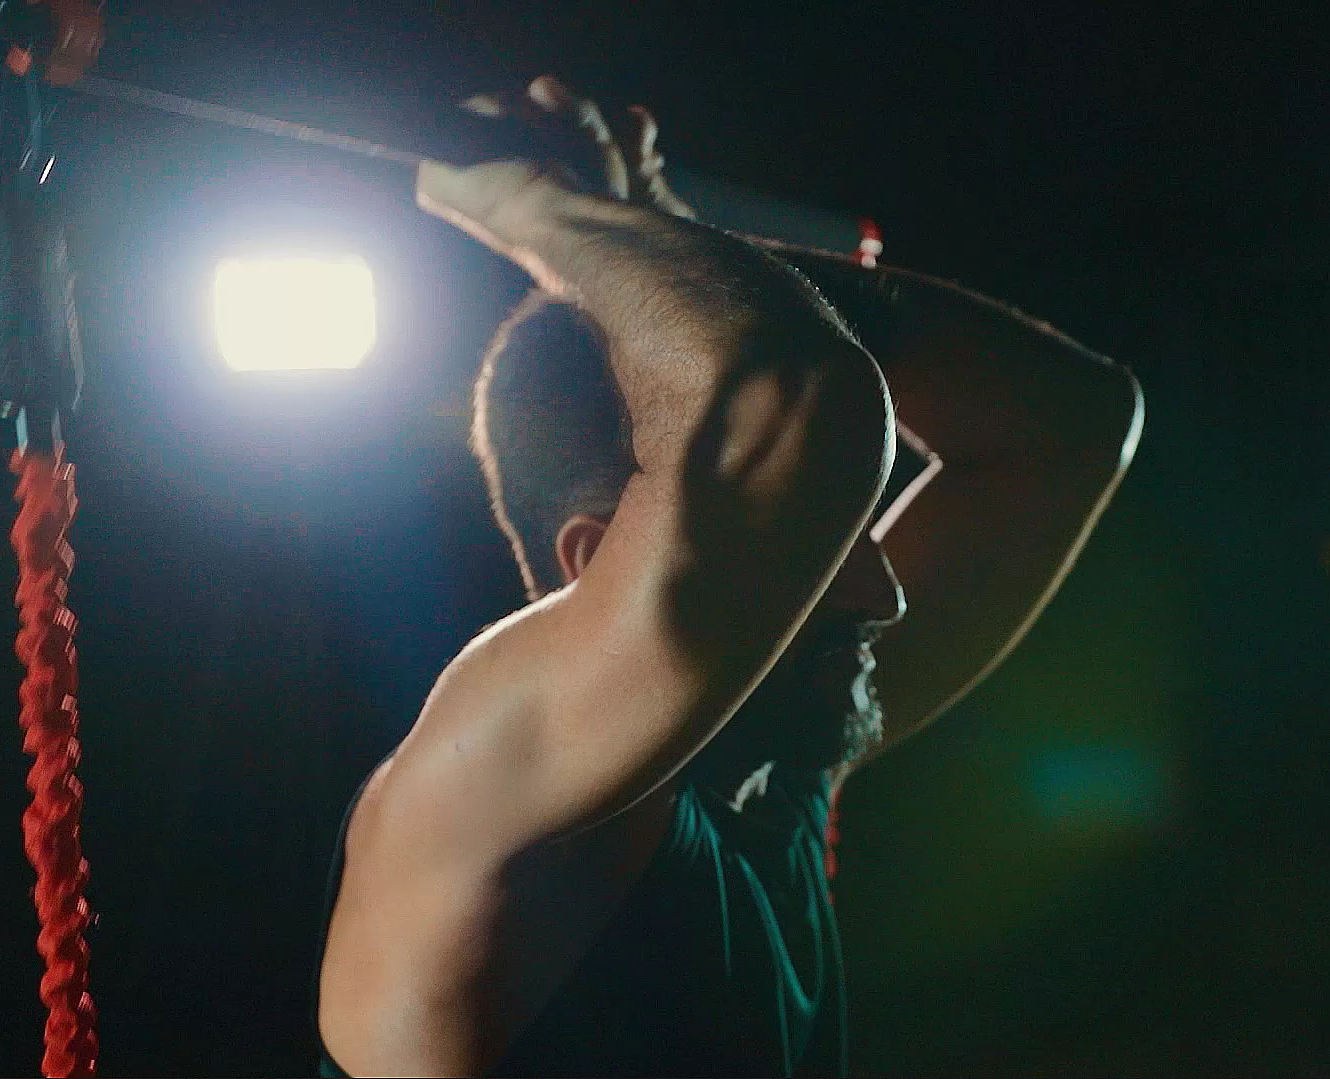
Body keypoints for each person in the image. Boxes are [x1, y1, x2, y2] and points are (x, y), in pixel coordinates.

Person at [316, 76, 1143, 1077]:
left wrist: (652, 226)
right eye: (815, 544)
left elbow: (1072, 419)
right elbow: (796, 395)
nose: (883, 596)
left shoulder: (770, 772)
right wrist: (547, 213)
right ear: (594, 558)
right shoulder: (485, 792)